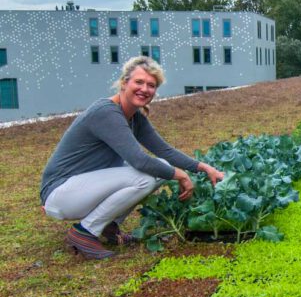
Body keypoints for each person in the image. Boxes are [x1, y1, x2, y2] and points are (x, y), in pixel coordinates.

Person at [40, 56, 224, 259]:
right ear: (124, 82)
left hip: (81, 189)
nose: (145, 89)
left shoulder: (134, 117)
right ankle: (85, 232)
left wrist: (205, 168)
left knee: (160, 168)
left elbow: (165, 151)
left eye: (151, 85)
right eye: (139, 82)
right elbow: (140, 160)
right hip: (62, 193)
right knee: (144, 177)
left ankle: (110, 226)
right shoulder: (106, 113)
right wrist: (180, 176)